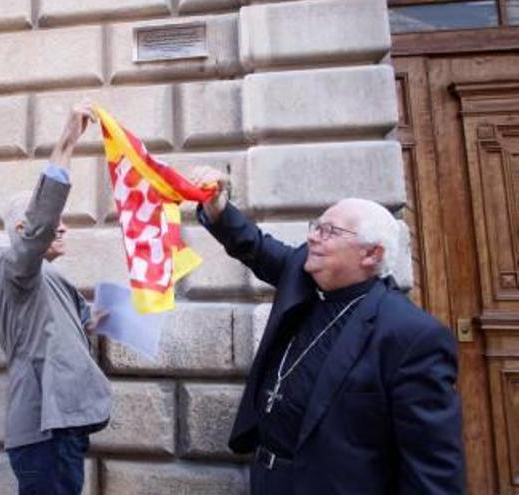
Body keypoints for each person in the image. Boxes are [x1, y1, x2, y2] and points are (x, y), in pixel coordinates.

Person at [189, 166, 465, 494]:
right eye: (316, 227)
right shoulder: (303, 276)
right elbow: (254, 245)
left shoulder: (410, 335)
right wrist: (217, 206)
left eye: (329, 231)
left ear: (371, 253)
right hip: (267, 479)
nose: (312, 237)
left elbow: (432, 465)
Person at [0, 102, 111, 495]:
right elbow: (40, 224)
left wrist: (121, 314)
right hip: (44, 431)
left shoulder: (46, 278)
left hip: (61, 429)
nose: (64, 226)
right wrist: (67, 141)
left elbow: (76, 328)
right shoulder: (10, 265)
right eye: (55, 222)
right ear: (24, 230)